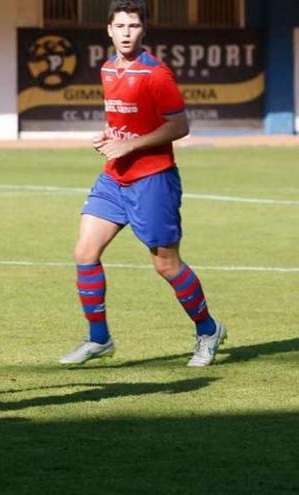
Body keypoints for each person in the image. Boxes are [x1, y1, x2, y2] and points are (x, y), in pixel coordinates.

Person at [60, 0, 226, 367]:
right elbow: (128, 121)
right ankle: (98, 339)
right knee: (85, 253)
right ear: (109, 30)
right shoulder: (107, 69)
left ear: (143, 30)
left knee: (166, 265)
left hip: (153, 180)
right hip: (114, 178)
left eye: (133, 26)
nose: (126, 33)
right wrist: (109, 136)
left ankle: (208, 329)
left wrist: (129, 144)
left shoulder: (157, 74)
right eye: (120, 26)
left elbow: (180, 126)